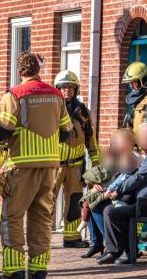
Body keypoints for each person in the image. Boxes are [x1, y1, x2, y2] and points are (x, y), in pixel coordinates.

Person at [0, 52, 72, 279]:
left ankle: (14, 270)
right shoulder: (56, 95)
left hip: (21, 166)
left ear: (20, 72)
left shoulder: (15, 94)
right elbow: (66, 133)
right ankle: (38, 270)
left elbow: (5, 129)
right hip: (49, 166)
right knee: (41, 217)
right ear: (39, 70)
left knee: (12, 217)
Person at [97, 123, 147, 265]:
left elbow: (139, 177)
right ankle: (115, 251)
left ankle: (129, 251)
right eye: (141, 137)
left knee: (112, 211)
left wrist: (119, 190)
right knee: (109, 209)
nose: (142, 141)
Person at [52, 70, 99, 248]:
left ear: (76, 89)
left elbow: (91, 139)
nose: (67, 91)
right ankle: (41, 239)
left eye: (71, 87)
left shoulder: (82, 112)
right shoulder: (51, 110)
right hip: (54, 166)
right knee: (46, 203)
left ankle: (71, 238)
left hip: (76, 166)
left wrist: (96, 165)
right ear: (57, 89)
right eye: (63, 87)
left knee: (74, 202)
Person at [80, 129, 138, 259]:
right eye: (114, 143)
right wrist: (96, 185)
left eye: (118, 142)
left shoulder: (132, 157)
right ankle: (96, 243)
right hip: (113, 191)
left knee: (96, 204)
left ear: (129, 143)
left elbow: (128, 180)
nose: (115, 145)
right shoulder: (115, 156)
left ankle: (110, 244)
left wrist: (106, 192)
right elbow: (103, 176)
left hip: (126, 196)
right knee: (88, 200)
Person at [121, 62, 147, 134]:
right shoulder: (138, 99)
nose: (131, 86)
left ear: (144, 80)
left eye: (133, 82)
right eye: (130, 83)